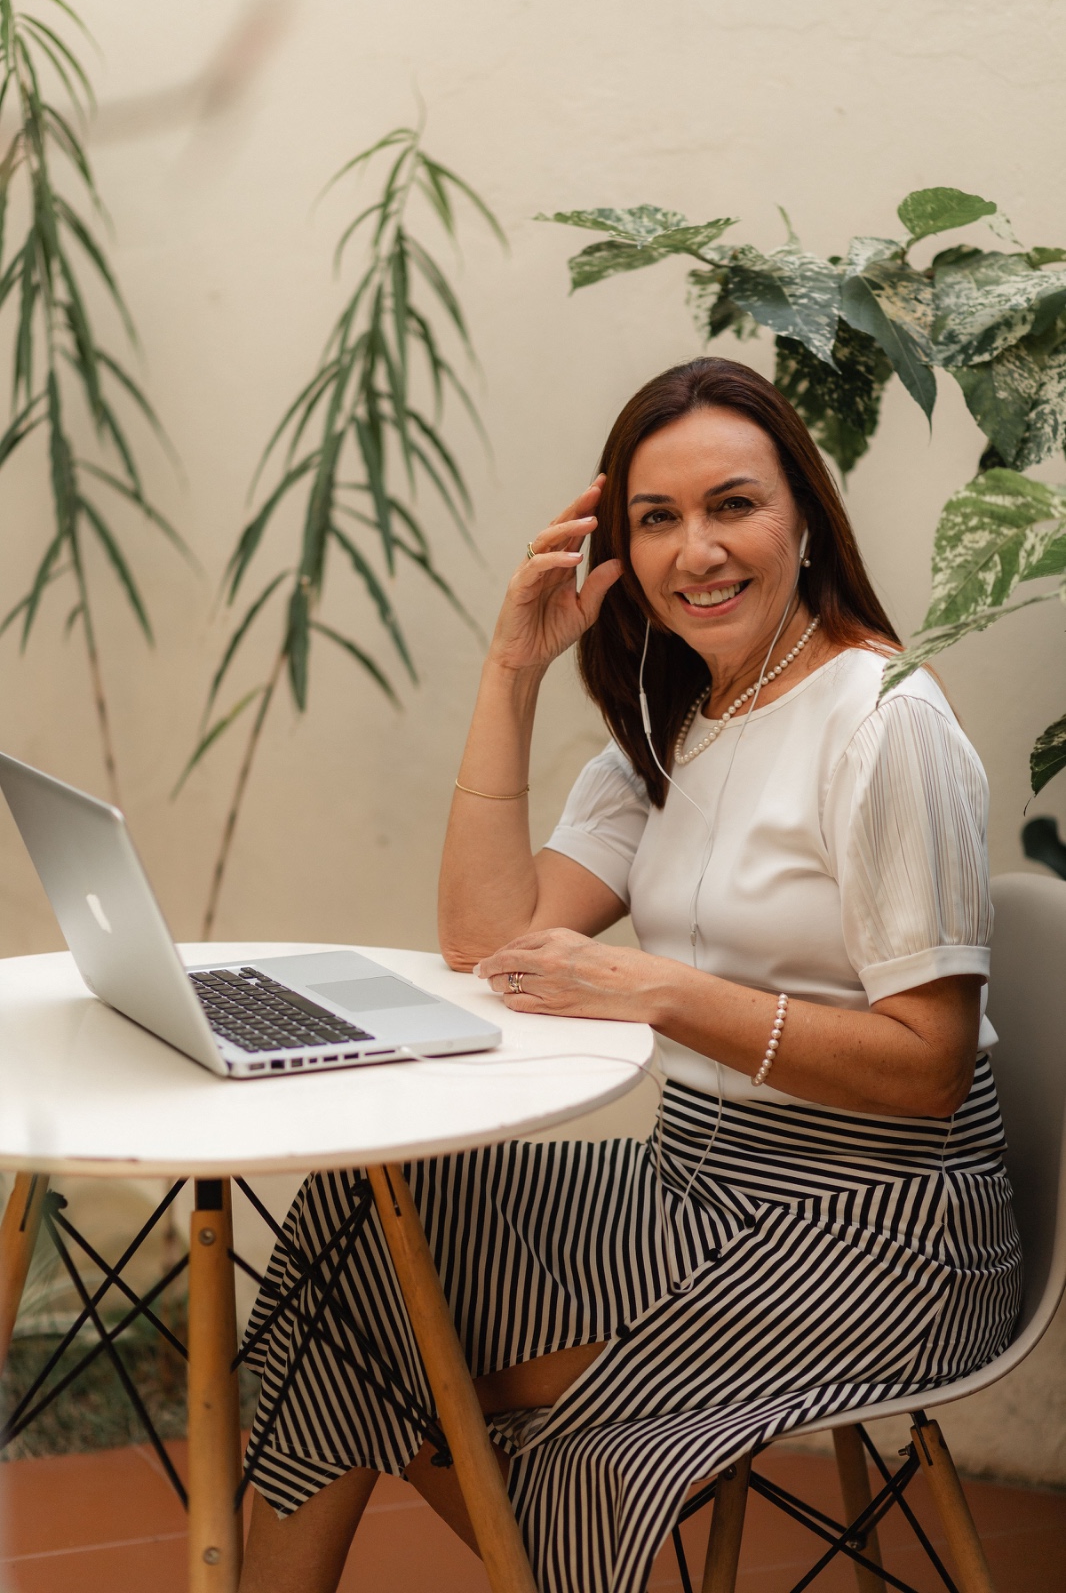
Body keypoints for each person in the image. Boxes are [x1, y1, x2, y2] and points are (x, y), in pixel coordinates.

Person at [238, 358, 1021, 1593]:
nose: (694, 551)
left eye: (732, 506)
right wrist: (511, 669)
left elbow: (927, 1071)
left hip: (879, 1231)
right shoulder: (676, 720)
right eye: (655, 520)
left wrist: (655, 989)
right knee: (355, 1235)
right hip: (693, 1180)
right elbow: (486, 937)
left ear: (804, 519)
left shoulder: (883, 720)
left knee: (384, 1360)